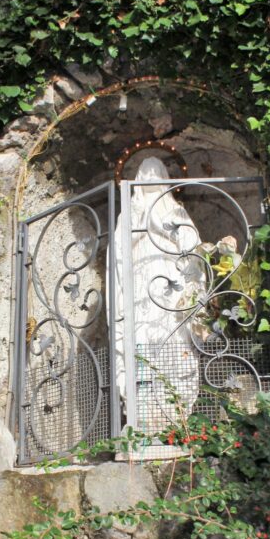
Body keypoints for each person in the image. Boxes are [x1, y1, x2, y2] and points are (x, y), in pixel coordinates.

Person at [110, 157, 204, 429]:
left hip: (170, 279)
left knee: (173, 337)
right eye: (144, 174)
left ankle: (175, 414)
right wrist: (142, 227)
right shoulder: (129, 213)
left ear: (165, 179)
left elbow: (191, 246)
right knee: (141, 337)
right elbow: (118, 251)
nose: (150, 178)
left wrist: (161, 226)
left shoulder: (176, 211)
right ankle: (143, 412)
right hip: (141, 281)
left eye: (156, 173)